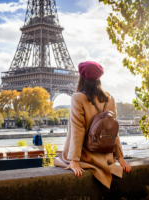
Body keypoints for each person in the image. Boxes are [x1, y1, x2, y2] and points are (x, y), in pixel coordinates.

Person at [54, 61, 131, 189]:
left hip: (87, 155)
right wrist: (120, 158)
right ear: (99, 79)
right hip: (105, 155)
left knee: (60, 159)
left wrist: (74, 161)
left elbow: (77, 130)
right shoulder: (110, 98)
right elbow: (113, 131)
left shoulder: (77, 98)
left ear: (81, 78)